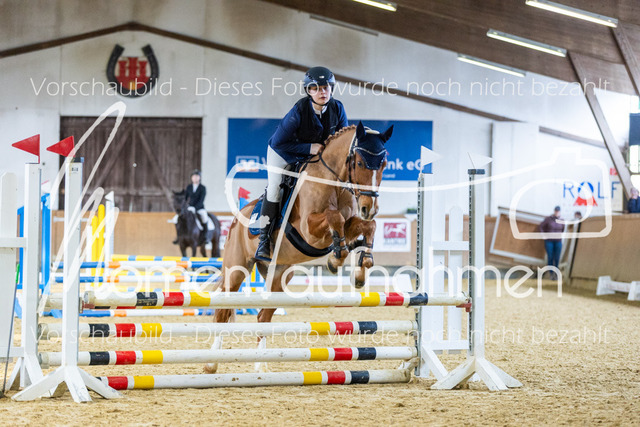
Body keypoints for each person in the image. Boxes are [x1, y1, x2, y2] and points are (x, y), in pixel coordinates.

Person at [255, 66, 348, 261]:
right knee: (275, 188)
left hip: (313, 157)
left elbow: (343, 141)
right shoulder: (299, 110)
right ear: (309, 91)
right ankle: (264, 240)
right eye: (316, 88)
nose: (322, 92)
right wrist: (308, 148)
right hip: (284, 153)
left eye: (326, 87)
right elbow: (279, 143)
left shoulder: (338, 108)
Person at [173, 169, 212, 244]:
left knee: (204, 217)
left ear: (199, 178)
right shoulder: (189, 187)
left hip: (199, 208)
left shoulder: (202, 188)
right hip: (189, 208)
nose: (195, 178)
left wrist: (195, 208)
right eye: (193, 176)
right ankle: (178, 236)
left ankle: (205, 236)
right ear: (191, 178)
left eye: (197, 176)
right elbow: (185, 199)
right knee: (175, 219)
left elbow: (201, 200)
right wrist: (186, 207)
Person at [539, 206, 565, 279]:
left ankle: (556, 273)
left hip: (558, 241)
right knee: (550, 256)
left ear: (559, 212)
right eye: (556, 211)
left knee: (557, 257)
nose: (557, 212)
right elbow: (541, 226)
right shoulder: (548, 219)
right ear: (554, 211)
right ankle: (551, 273)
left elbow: (563, 229)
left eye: (558, 211)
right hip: (549, 240)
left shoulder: (562, 220)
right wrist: (543, 235)